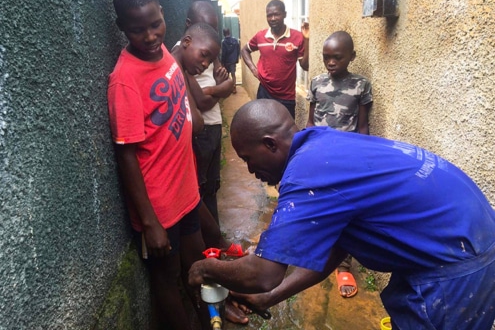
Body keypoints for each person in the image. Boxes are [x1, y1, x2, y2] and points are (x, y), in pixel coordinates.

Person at [189, 99, 495, 330]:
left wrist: (205, 268)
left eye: (248, 158)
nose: (250, 169)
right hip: (463, 235)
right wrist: (270, 297)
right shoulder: (322, 144)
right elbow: (337, 247)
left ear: (269, 144)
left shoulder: (308, 173)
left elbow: (263, 273)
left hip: (459, 265)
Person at [107, 0, 220, 330]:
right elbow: (126, 155)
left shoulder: (169, 59)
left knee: (199, 264)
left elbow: (186, 110)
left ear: (162, 13)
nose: (151, 36)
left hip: (186, 191)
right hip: (159, 206)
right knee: (167, 278)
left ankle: (209, 321)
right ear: (122, 27)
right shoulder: (124, 80)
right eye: (138, 30)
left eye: (155, 24)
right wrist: (151, 224)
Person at [173, 1, 248, 325]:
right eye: (203, 54)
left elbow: (205, 106)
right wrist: (226, 86)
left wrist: (222, 86)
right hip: (177, 170)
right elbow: (201, 104)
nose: (206, 60)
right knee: (202, 225)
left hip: (189, 158)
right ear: (189, 30)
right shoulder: (176, 62)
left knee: (210, 200)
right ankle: (212, 297)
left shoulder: (189, 57)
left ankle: (219, 286)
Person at [306, 30, 373, 298]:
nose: (331, 62)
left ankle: (342, 263)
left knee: (344, 209)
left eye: (337, 57)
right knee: (317, 202)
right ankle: (315, 248)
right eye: (326, 57)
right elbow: (310, 122)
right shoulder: (316, 83)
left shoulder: (361, 85)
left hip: (347, 160)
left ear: (351, 57)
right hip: (319, 156)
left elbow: (364, 126)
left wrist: (362, 160)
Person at [241, 0, 309, 118]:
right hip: (264, 92)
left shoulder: (297, 37)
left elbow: (305, 66)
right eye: (269, 15)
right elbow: (244, 50)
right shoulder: (260, 36)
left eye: (276, 14)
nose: (272, 18)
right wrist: (253, 69)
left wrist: (307, 40)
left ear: (284, 14)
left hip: (286, 96)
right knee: (262, 126)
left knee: (285, 132)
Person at [220, 28, 240, 93]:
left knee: (227, 75)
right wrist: (236, 59)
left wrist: (222, 62)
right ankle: (234, 88)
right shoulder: (235, 40)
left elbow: (223, 53)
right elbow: (238, 50)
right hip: (233, 61)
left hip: (227, 62)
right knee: (233, 74)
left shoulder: (224, 42)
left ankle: (228, 88)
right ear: (229, 32)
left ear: (223, 33)